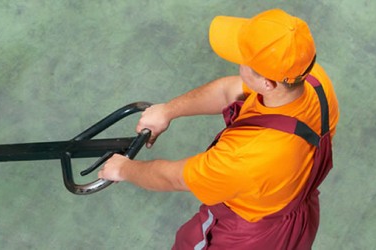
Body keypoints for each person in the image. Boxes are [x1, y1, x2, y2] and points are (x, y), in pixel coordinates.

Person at [98, 9, 339, 249]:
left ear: (268, 83)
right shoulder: (313, 80)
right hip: (299, 218)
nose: (238, 63)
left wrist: (124, 169)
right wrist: (167, 111)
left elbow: (173, 178)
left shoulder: (243, 158)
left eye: (243, 60)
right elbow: (227, 91)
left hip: (246, 238)